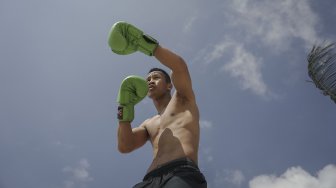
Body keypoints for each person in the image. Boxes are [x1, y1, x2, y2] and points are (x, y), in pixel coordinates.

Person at [108, 21, 207, 188]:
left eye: (156, 77)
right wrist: (125, 107)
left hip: (180, 173)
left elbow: (179, 67)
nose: (150, 82)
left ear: (169, 85)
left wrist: (144, 44)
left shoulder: (183, 99)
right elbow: (125, 145)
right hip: (148, 180)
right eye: (147, 80)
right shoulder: (149, 123)